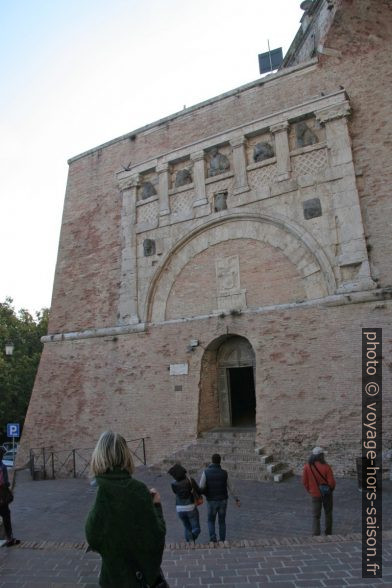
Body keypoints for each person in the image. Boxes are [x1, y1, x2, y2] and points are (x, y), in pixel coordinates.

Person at [85, 431, 166, 587]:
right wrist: (156, 506)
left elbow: (92, 536)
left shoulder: (102, 491)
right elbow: (156, 538)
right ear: (126, 455)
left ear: (99, 455)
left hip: (112, 580)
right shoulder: (139, 490)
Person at [199, 454, 240, 543]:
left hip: (211, 500)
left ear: (212, 461)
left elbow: (201, 486)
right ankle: (222, 540)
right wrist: (236, 499)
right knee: (222, 521)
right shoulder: (224, 473)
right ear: (220, 461)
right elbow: (231, 487)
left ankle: (213, 538)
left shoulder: (206, 472)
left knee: (210, 520)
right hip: (223, 500)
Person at [302, 446, 336, 536]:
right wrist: (330, 490)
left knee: (316, 516)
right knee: (328, 513)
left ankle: (316, 533)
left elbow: (304, 482)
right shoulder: (326, 467)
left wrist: (311, 491)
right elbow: (331, 483)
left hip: (315, 494)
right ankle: (328, 532)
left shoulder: (307, 467)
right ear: (321, 455)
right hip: (326, 494)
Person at [168, 463, 201, 543]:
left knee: (187, 527)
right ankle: (192, 537)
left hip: (179, 507)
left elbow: (175, 493)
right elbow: (198, 490)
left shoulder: (173, 484)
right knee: (196, 528)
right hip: (190, 506)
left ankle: (189, 543)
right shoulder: (190, 480)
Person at [0, 447, 20, 547]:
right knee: (6, 517)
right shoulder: (2, 467)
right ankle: (9, 538)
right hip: (1, 496)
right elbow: (6, 482)